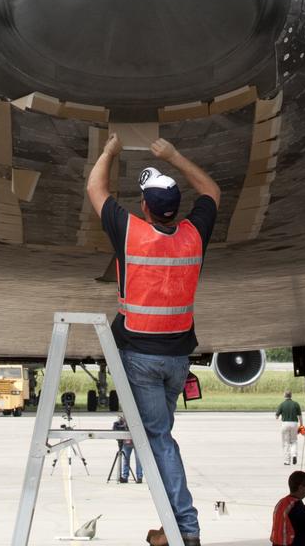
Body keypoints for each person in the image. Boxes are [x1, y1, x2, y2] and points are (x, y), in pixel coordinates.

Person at [87, 134, 220, 546]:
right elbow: (212, 191)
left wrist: (109, 151)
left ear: (145, 207)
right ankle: (172, 523)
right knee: (159, 439)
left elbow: (95, 188)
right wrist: (175, 156)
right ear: (175, 211)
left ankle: (185, 526)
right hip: (177, 359)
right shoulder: (193, 235)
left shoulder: (132, 234)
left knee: (158, 440)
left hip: (139, 358)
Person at [112, 413, 143, 483]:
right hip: (126, 442)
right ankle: (125, 476)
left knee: (139, 460)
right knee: (126, 459)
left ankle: (139, 477)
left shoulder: (137, 419)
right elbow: (115, 429)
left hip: (136, 442)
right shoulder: (120, 421)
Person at [275, 389, 303, 465]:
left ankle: (287, 461)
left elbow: (276, 416)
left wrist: (279, 416)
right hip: (294, 423)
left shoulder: (282, 404)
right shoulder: (296, 404)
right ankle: (294, 455)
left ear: (284, 395)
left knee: (286, 442)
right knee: (294, 441)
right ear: (291, 395)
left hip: (285, 424)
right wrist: (301, 425)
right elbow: (300, 416)